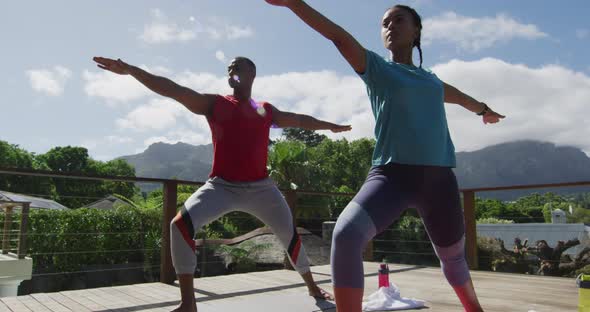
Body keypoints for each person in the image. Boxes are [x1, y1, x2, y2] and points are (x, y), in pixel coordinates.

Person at [265, 2, 505, 311]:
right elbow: (337, 35)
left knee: (454, 258)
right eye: (385, 23)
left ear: (416, 30)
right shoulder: (376, 68)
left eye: (398, 20)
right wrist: (293, 3)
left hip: (439, 179)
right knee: (347, 235)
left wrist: (483, 110)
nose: (390, 26)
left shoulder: (431, 80)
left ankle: (475, 309)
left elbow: (457, 95)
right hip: (391, 176)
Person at [93, 55, 349, 312]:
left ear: (252, 74)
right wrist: (131, 70)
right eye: (228, 67)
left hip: (262, 188)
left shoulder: (265, 110)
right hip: (221, 186)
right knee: (179, 225)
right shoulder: (215, 104)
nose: (231, 70)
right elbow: (174, 90)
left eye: (237, 66)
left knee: (290, 236)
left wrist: (330, 126)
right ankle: (188, 303)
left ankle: (312, 287)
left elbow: (300, 120)